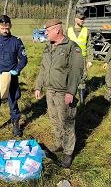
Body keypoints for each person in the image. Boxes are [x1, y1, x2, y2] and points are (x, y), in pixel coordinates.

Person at [35, 19, 84, 168]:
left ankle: (68, 153)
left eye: (47, 31)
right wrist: (38, 86)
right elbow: (43, 69)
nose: (46, 34)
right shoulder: (48, 48)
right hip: (50, 91)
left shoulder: (72, 47)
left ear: (57, 30)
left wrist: (71, 91)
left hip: (64, 93)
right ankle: (59, 144)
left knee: (67, 122)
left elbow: (76, 71)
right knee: (55, 120)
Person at [0, 15, 28, 138]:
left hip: (11, 78)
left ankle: (15, 126)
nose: (5, 30)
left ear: (10, 26)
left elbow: (23, 58)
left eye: (7, 27)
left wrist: (17, 70)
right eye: (2, 27)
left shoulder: (16, 41)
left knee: (13, 102)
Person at [67, 13, 94, 104]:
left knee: (82, 78)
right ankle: (71, 98)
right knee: (70, 77)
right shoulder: (68, 31)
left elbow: (90, 46)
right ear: (75, 19)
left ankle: (82, 101)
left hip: (82, 59)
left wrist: (90, 60)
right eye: (81, 18)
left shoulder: (87, 31)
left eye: (83, 19)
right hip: (71, 58)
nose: (82, 20)